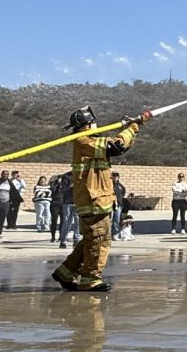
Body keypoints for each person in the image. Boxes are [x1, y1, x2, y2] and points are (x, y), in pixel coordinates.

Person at [52, 106, 150, 292]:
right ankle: (90, 279)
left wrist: (134, 126)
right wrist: (132, 127)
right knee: (99, 241)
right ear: (88, 124)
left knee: (92, 239)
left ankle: (66, 272)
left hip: (98, 199)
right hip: (93, 201)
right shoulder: (83, 141)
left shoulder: (89, 140)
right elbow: (115, 147)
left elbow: (118, 146)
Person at [110, 172, 127, 240]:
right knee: (110, 220)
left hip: (119, 205)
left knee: (116, 220)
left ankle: (115, 234)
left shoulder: (120, 185)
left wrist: (120, 199)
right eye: (114, 176)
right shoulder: (109, 185)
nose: (115, 178)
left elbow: (123, 191)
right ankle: (108, 235)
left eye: (117, 176)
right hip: (111, 205)